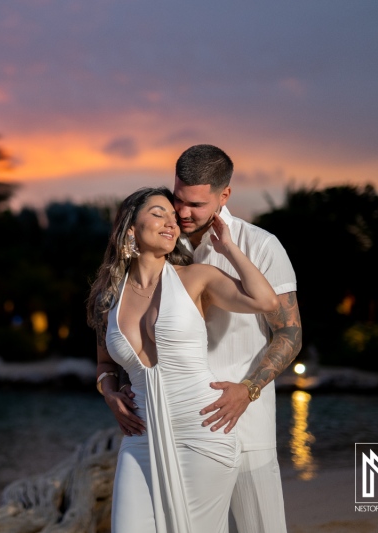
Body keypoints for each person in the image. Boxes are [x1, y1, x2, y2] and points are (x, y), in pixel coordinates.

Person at [104, 145, 301, 533]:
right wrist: (109, 389)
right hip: (166, 427)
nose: (181, 213)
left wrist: (249, 389)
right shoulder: (167, 245)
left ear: (224, 196)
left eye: (194, 204)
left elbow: (290, 332)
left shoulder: (260, 245)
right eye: (177, 199)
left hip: (246, 426)